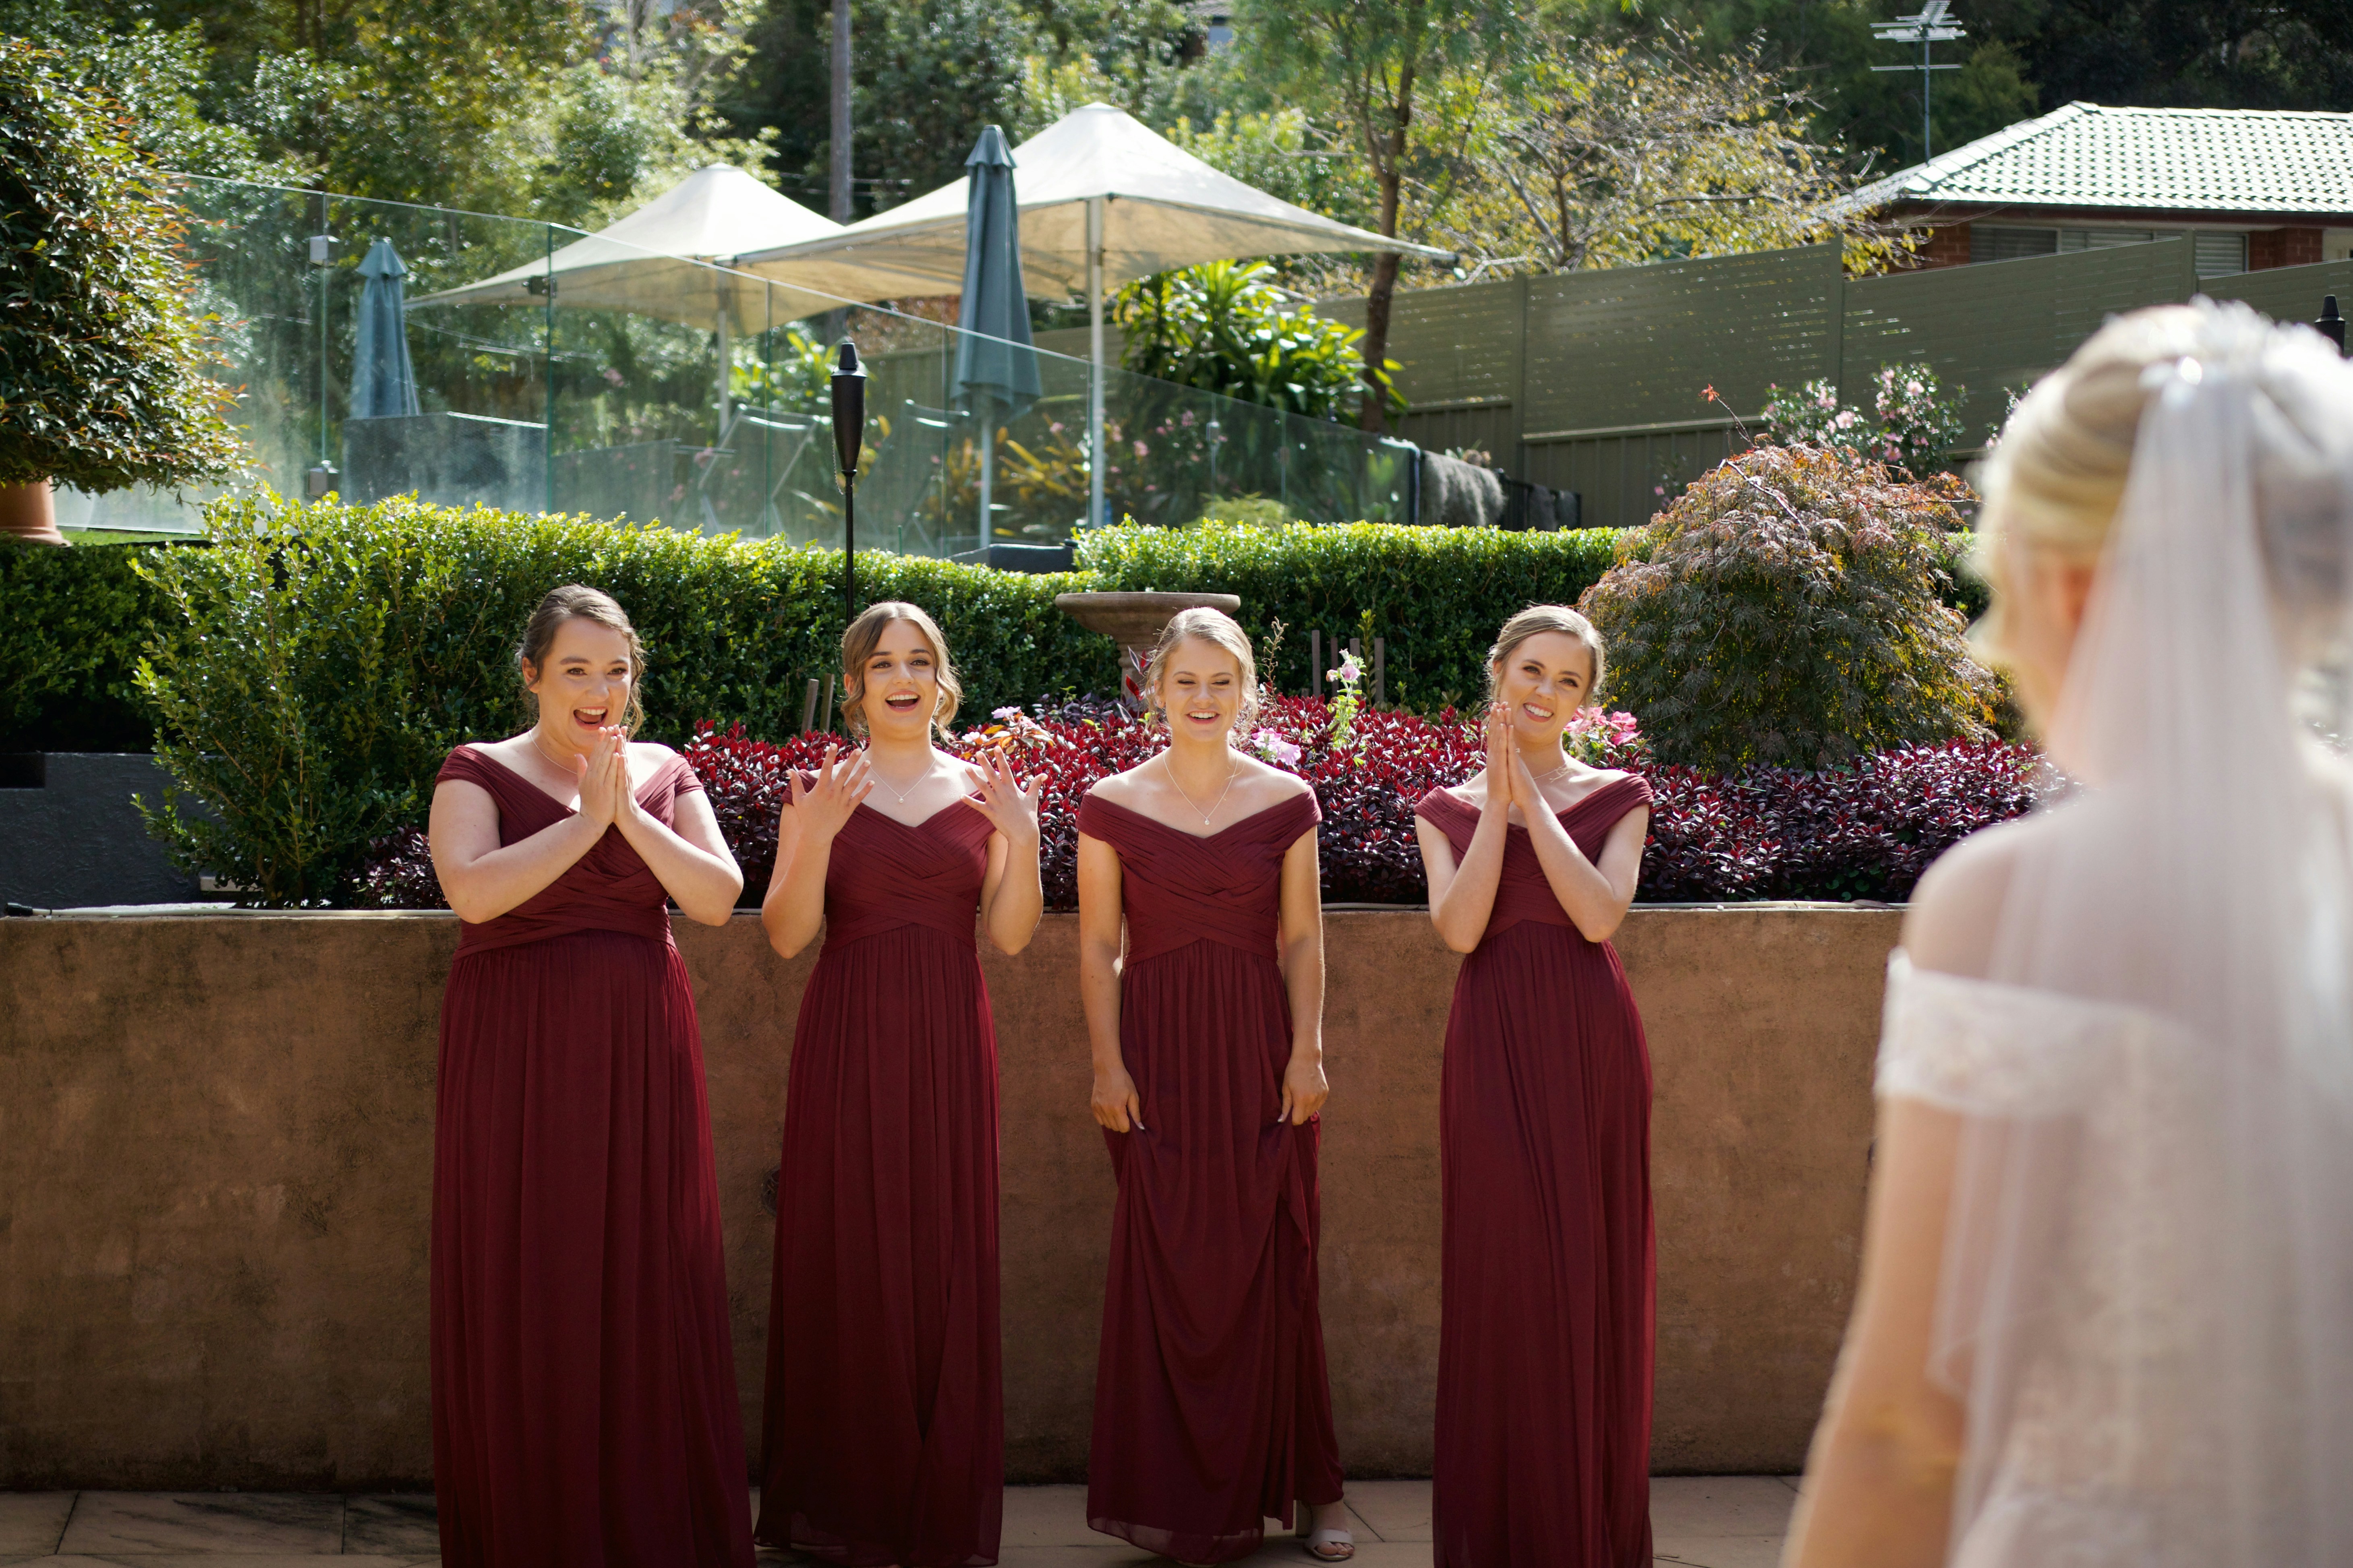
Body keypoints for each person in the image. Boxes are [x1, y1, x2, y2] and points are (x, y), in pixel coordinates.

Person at [1783, 301, 2353, 1567]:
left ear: (2074, 586)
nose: (1997, 645)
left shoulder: (2009, 902)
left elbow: (1908, 1431)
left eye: (1998, 585)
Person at [425, 584, 752, 1568]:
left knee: (650, 1267)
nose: (599, 688)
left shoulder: (665, 770)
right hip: (518, 1055)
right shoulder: (476, 769)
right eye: (576, 669)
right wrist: (584, 823)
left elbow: (715, 896)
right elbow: (472, 893)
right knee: (535, 1266)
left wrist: (628, 818)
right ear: (533, 676)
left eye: (616, 669)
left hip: (642, 1047)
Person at [756, 601, 1042, 1568]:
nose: (902, 677)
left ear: (942, 679)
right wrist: (816, 835)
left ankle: (936, 1501)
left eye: (919, 660)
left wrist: (1023, 837)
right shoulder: (821, 792)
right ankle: (847, 1504)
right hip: (847, 1041)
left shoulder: (982, 790)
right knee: (848, 1248)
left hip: (950, 1043)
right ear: (854, 685)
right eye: (882, 663)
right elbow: (786, 936)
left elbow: (1010, 936)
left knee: (942, 1253)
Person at [1076, 606, 1355, 1565]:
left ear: (1247, 692)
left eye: (1221, 682)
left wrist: (1306, 1050)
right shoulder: (1109, 803)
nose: (1203, 698)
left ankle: (1316, 1492)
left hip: (1258, 1057)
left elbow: (1302, 938)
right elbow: (1098, 945)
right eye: (1185, 681)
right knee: (1165, 1269)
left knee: (1280, 1263)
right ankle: (1172, 1499)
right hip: (1154, 1059)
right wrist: (1106, 1062)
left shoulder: (1286, 800)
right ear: (1153, 689)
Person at [1412, 605, 1656, 1568]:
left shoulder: (1618, 795)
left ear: (1585, 701)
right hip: (1492, 1043)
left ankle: (1583, 1529)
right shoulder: (1441, 808)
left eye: (1567, 681)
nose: (1544, 693)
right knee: (1504, 1273)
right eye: (1531, 672)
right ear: (1497, 672)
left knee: (1586, 1270)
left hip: (1589, 1045)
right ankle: (1507, 1530)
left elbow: (1598, 917)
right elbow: (1460, 929)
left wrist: (1533, 802)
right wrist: (1495, 804)